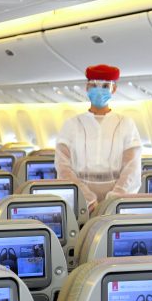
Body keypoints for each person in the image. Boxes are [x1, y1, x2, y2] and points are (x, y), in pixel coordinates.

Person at [55, 64, 142, 211]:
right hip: (79, 203)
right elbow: (64, 168)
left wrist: (115, 199)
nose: (99, 90)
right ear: (87, 88)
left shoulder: (126, 124)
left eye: (105, 86)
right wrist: (86, 199)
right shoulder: (71, 124)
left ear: (114, 89)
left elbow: (132, 168)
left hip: (116, 204)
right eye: (94, 85)